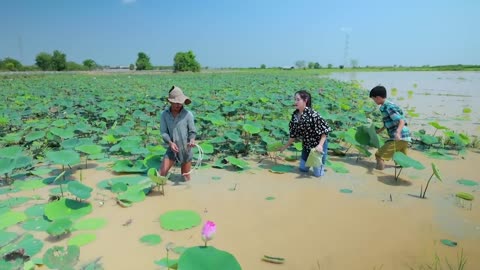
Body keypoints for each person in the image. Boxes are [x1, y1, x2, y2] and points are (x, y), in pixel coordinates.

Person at [280, 90, 332, 177]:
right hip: (307, 145)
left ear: (305, 100)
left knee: (318, 175)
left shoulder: (313, 114)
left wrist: (320, 145)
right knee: (302, 169)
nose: (295, 102)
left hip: (317, 146)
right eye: (295, 99)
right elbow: (293, 134)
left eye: (298, 99)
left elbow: (325, 131)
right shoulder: (295, 115)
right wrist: (284, 147)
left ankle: (321, 168)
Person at [369, 85, 411, 170]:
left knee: (379, 155)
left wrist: (398, 133)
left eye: (373, 99)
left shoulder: (389, 107)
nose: (374, 101)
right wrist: (378, 131)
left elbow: (401, 121)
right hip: (405, 137)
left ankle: (379, 172)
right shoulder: (386, 106)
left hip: (399, 137)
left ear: (377, 98)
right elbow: (388, 123)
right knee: (402, 162)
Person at [160, 86, 197, 181]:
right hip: (172, 147)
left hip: (185, 149)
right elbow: (164, 132)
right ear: (170, 101)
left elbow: (192, 131)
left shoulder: (188, 114)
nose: (178, 105)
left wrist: (192, 139)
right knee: (161, 175)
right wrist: (170, 143)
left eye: (180, 103)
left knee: (185, 178)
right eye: (175, 103)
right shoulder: (164, 114)